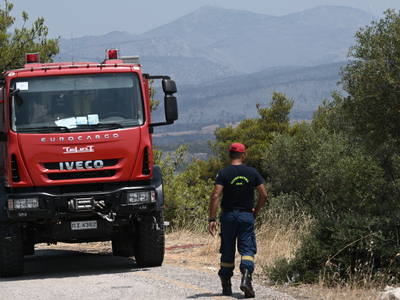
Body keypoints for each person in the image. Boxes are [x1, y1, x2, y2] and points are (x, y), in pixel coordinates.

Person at [209, 142, 268, 298]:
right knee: (247, 249)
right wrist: (256, 209)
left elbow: (215, 196)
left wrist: (212, 219)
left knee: (227, 248)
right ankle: (246, 278)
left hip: (228, 216)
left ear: (229, 155)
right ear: (243, 155)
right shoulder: (252, 172)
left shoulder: (223, 173)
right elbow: (264, 195)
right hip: (246, 216)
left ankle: (226, 285)